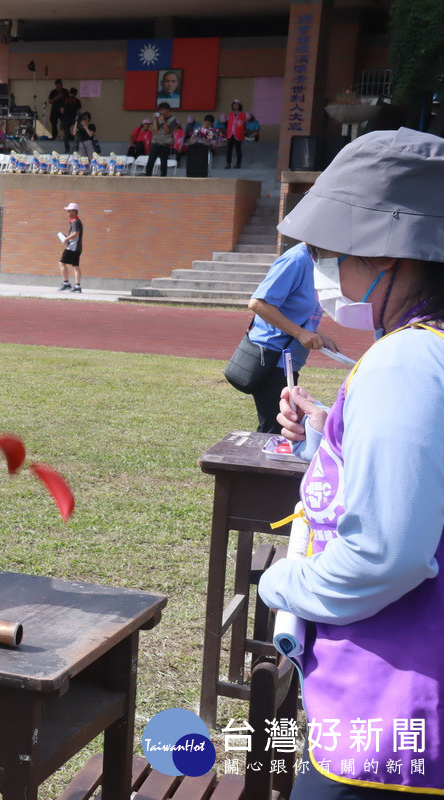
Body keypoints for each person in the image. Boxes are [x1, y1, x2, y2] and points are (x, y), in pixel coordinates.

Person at [257, 128, 444, 799]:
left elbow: (385, 556)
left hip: (391, 717)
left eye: (348, 257)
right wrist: (324, 437)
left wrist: (282, 585)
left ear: (398, 255)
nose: (340, 276)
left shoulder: (404, 360)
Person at [225, 243, 335, 432]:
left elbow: (297, 312)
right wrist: (300, 333)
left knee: (280, 426)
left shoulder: (317, 261)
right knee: (275, 429)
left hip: (288, 360)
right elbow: (258, 303)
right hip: (272, 358)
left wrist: (317, 335)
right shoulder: (296, 259)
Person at [146, 103, 180, 176]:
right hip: (156, 143)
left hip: (165, 144)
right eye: (160, 110)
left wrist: (164, 121)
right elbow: (155, 131)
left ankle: (163, 178)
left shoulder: (173, 120)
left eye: (163, 110)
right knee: (150, 162)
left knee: (163, 164)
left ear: (168, 110)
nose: (161, 112)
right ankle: (147, 177)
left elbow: (168, 131)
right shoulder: (158, 118)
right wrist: (155, 120)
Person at [57, 202, 84, 293]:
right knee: (75, 266)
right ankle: (77, 286)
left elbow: (75, 233)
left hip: (72, 247)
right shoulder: (76, 221)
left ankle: (66, 284)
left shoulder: (76, 222)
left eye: (69, 210)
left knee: (61, 263)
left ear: (74, 211)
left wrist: (66, 239)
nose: (67, 212)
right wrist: (66, 236)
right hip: (77, 247)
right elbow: (75, 234)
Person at [224, 100, 247, 169]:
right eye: (234, 105)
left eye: (237, 105)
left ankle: (238, 163)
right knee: (229, 149)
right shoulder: (230, 114)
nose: (235, 106)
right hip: (230, 134)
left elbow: (245, 124)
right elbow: (227, 124)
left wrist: (244, 132)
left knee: (238, 149)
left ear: (239, 106)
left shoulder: (243, 115)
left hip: (238, 134)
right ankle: (228, 163)